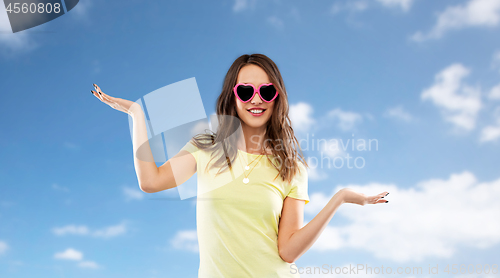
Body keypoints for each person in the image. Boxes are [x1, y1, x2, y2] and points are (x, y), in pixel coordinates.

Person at [91, 53, 390, 277]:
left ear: (277, 98)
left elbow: (287, 251)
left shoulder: (292, 167)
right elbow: (151, 181)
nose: (256, 100)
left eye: (266, 91)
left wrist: (339, 199)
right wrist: (136, 114)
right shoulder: (204, 149)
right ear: (232, 97)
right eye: (246, 91)